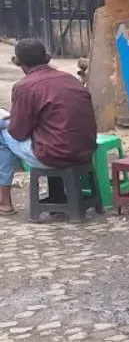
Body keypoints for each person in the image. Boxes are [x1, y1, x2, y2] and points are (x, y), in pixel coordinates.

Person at [0, 39, 97, 216]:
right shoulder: (70, 79)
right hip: (85, 150)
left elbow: (18, 133)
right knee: (51, 134)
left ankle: (4, 202)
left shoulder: (24, 87)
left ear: (17, 62)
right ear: (47, 57)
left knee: (2, 135)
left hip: (53, 156)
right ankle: (56, 194)